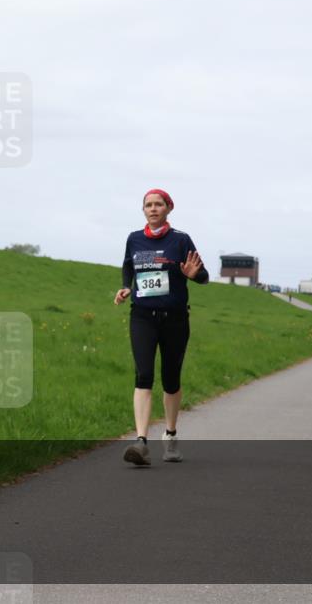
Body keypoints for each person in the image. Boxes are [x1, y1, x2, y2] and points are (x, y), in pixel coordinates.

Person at [114, 188, 208, 466]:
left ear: (169, 208)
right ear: (143, 210)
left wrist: (195, 275)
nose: (153, 209)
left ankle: (170, 434)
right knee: (143, 375)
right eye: (148, 205)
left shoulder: (180, 240)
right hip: (142, 316)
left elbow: (202, 276)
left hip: (175, 318)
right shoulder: (134, 239)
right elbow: (128, 267)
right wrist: (124, 287)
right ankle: (141, 441)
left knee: (170, 378)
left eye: (158, 204)